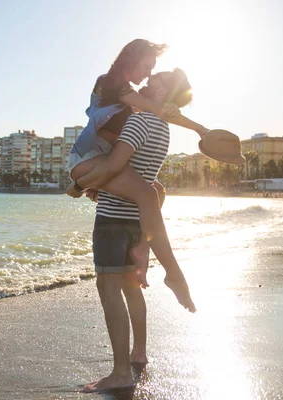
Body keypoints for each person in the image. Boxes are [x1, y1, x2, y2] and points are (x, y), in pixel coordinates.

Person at [67, 39, 206, 310]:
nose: (149, 73)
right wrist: (80, 184)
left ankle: (144, 248)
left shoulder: (138, 102)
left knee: (158, 191)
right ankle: (174, 274)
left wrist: (198, 129)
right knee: (146, 193)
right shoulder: (110, 82)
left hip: (106, 159)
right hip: (87, 158)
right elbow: (154, 109)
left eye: (153, 69)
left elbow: (154, 114)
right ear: (132, 58)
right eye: (147, 66)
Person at [82, 71, 193, 393]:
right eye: (152, 81)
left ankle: (120, 373)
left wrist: (83, 183)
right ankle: (138, 354)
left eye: (158, 85)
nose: (150, 86)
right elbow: (143, 175)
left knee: (109, 290)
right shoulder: (164, 129)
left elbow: (117, 164)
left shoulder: (139, 121)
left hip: (113, 217)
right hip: (135, 220)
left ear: (168, 97)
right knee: (132, 287)